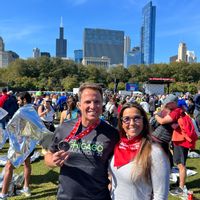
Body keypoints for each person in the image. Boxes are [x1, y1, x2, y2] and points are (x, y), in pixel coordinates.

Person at [44, 83, 119, 200]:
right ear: (79, 105)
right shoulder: (64, 128)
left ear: (102, 104)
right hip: (66, 196)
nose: (93, 106)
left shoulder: (112, 134)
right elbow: (49, 154)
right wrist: (52, 161)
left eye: (97, 102)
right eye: (88, 102)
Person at [109, 102, 170, 200]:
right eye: (127, 119)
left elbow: (160, 195)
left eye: (136, 118)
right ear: (122, 123)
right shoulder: (118, 145)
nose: (132, 123)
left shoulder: (154, 152)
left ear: (144, 121)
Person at [154, 94, 194, 196]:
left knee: (178, 165)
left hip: (178, 141)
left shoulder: (176, 111)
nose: (166, 104)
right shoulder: (177, 111)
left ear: (173, 103)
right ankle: (177, 184)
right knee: (171, 163)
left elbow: (162, 121)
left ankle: (180, 188)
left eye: (168, 103)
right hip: (171, 140)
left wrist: (156, 115)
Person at [0, 92, 34, 200]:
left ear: (24, 100)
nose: (17, 102)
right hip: (29, 143)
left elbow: (11, 127)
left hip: (20, 144)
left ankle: (3, 194)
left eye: (19, 100)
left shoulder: (21, 111)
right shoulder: (32, 109)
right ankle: (26, 188)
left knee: (9, 166)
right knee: (27, 164)